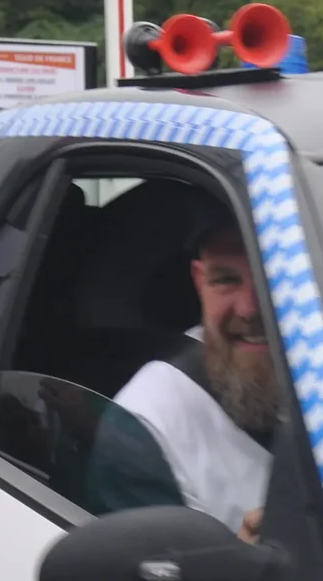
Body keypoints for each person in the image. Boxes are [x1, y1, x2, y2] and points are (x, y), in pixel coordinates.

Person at [112, 214, 275, 539]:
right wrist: (246, 567)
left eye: (271, 276)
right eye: (226, 279)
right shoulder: (147, 423)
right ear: (200, 282)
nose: (249, 308)